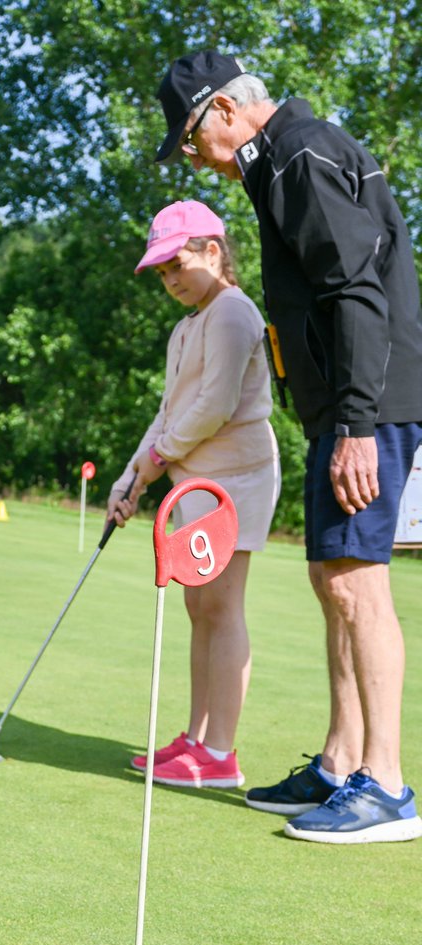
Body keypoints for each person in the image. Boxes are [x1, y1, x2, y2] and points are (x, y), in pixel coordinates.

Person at [153, 49, 422, 844]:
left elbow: (355, 293)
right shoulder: (284, 163)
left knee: (355, 585)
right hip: (343, 407)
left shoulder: (301, 156)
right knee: (329, 578)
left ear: (224, 113)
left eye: (193, 140)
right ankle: (341, 763)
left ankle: (388, 784)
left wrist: (356, 424)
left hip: (367, 405)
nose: (196, 157)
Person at [107, 199, 280, 790]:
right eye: (162, 273)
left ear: (213, 251)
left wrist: (154, 464)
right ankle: (195, 737)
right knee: (197, 607)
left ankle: (220, 754)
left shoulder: (232, 312)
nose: (171, 280)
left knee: (222, 606)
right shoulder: (188, 326)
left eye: (177, 264)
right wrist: (131, 477)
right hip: (194, 481)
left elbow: (215, 407)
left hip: (237, 478)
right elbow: (170, 411)